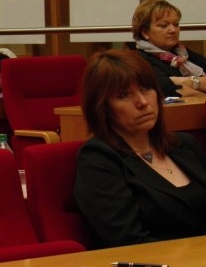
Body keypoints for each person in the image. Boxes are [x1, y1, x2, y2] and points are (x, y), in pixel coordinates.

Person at [74, 49, 206, 249]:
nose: (143, 102)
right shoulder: (99, 159)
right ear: (102, 107)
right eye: (124, 95)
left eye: (146, 89)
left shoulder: (184, 144)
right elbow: (129, 241)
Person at [132, 0, 206, 98]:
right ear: (145, 32)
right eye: (164, 25)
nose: (173, 30)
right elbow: (169, 91)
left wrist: (183, 81)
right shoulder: (139, 60)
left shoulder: (182, 53)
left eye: (176, 24)